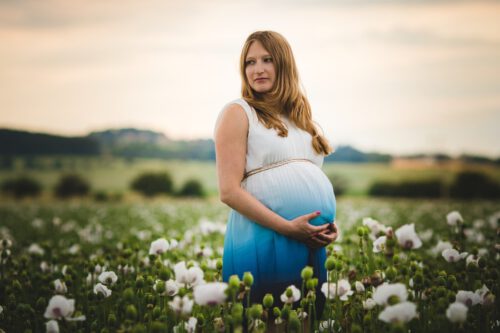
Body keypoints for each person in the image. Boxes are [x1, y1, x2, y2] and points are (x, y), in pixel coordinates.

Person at [213, 30, 338, 321]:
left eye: (267, 60)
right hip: (264, 235)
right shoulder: (238, 112)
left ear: (284, 64)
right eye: (249, 62)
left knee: (305, 319)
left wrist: (329, 226)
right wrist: (286, 228)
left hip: (308, 241)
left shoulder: (301, 120)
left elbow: (309, 181)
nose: (257, 69)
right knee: (268, 319)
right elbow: (228, 191)